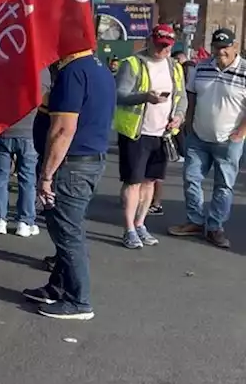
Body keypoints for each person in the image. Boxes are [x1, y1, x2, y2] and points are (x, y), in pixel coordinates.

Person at [23, 49, 115, 320]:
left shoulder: (74, 72)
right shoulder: (97, 68)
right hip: (88, 160)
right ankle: (59, 286)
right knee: (65, 228)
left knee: (66, 232)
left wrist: (47, 175)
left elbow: (64, 129)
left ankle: (79, 300)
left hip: (71, 165)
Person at [169, 28, 246, 248]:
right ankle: (194, 221)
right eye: (217, 47)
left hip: (228, 140)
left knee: (223, 186)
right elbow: (191, 95)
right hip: (199, 137)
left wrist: (241, 131)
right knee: (191, 179)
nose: (221, 52)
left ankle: (214, 227)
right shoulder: (201, 67)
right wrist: (189, 122)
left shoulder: (245, 70)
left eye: (225, 47)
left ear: (234, 47)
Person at [112, 24, 186, 249]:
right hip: (136, 132)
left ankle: (140, 223)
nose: (161, 50)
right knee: (133, 182)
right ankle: (129, 229)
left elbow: (181, 97)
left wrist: (179, 117)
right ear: (149, 40)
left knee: (151, 180)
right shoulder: (132, 63)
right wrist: (145, 97)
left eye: (166, 47)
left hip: (162, 133)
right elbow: (119, 94)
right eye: (158, 45)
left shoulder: (174, 67)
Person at [0, 106, 40, 236]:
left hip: (2, 131)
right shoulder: (39, 84)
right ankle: (25, 222)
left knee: (0, 178)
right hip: (29, 132)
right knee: (27, 179)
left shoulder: (1, 84)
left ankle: (0, 220)